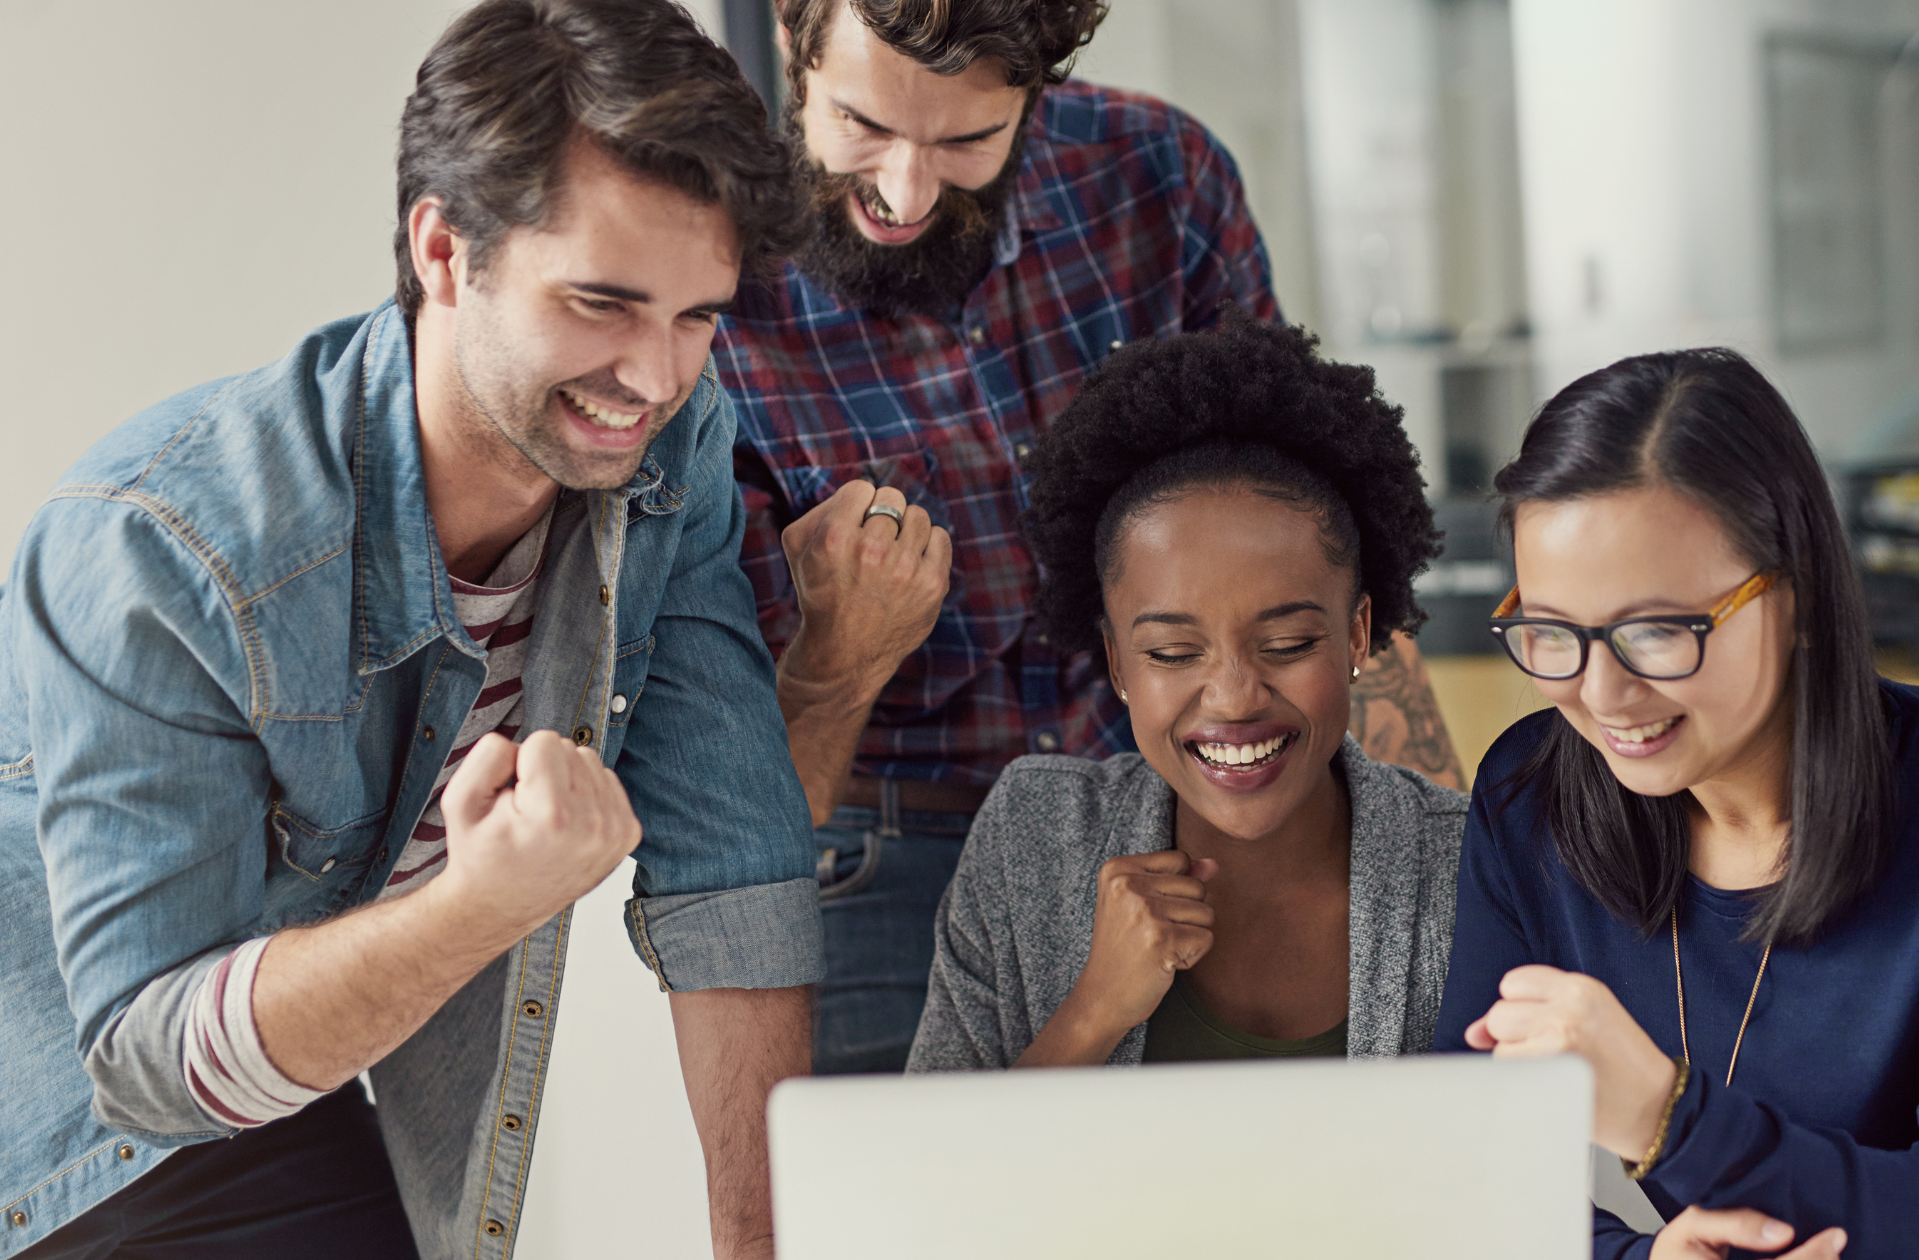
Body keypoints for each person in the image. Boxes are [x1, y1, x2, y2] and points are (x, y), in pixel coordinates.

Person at [0, 4, 818, 1258]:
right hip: (61, 1099)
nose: (655, 377)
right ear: (445, 250)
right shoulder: (162, 546)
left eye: (697, 316)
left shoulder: (668, 452)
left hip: (276, 1060)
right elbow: (149, 1058)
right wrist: (483, 902)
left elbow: (732, 862)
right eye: (603, 303)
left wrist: (762, 1248)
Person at [713, 0, 1465, 1075]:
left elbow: (1306, 519)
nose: (904, 190)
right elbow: (734, 806)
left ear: (1038, 81)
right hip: (877, 858)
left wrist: (1426, 855)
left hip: (1185, 818)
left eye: (967, 140)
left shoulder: (1159, 178)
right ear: (792, 35)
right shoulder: (712, 287)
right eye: (861, 126)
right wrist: (838, 657)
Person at [1434, 349, 1919, 1259]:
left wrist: (1668, 1121)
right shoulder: (1528, 799)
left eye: (1658, 631)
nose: (1602, 693)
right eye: (1551, 632)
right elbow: (1473, 1161)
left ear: (1800, 596)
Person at [907, 318, 1465, 1071]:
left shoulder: (1467, 861)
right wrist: (1092, 1013)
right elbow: (938, 1182)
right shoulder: (1034, 841)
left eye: (1288, 645)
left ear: (1360, 633)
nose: (1234, 698)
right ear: (1117, 662)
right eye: (1173, 652)